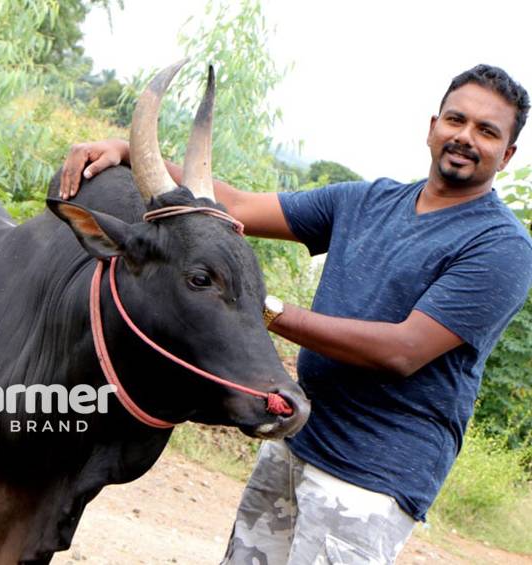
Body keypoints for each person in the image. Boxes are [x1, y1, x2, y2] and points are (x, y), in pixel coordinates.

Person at [59, 64, 532, 564]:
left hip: (372, 475)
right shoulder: (367, 201)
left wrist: (257, 310)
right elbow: (234, 204)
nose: (464, 137)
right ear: (433, 125)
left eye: (486, 131)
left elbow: (403, 350)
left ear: (507, 155)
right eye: (456, 120)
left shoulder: (500, 246)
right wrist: (130, 151)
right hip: (297, 439)